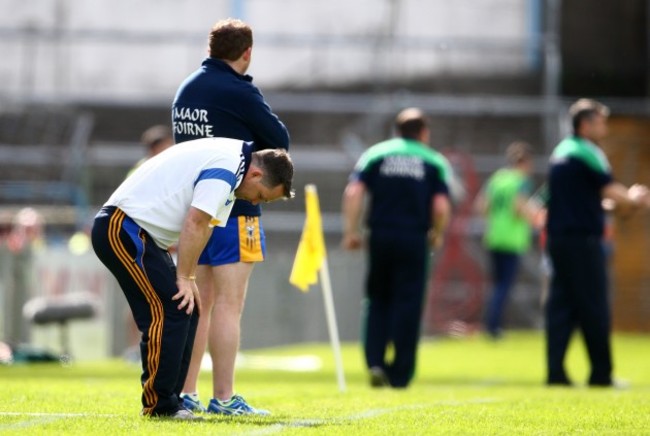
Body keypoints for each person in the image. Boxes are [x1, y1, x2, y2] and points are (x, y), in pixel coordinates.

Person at [91, 137, 294, 420]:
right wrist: (185, 276)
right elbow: (195, 222)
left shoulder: (235, 170)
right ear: (257, 174)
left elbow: (206, 227)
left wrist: (190, 279)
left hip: (143, 236)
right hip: (122, 229)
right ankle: (160, 405)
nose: (255, 201)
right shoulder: (227, 167)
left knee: (190, 307)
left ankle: (175, 401)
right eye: (261, 195)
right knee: (168, 309)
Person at [172, 18, 290, 415]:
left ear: (210, 49)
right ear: (247, 53)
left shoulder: (186, 89)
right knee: (228, 304)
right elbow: (280, 142)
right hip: (237, 208)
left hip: (196, 210)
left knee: (197, 302)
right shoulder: (240, 90)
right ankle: (223, 397)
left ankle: (186, 392)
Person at [341, 108, 452, 388]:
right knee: (408, 303)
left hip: (380, 236)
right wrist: (436, 234)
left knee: (377, 299)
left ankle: (375, 362)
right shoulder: (433, 161)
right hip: (414, 238)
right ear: (423, 133)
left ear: (397, 131)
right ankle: (400, 373)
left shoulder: (376, 154)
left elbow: (353, 193)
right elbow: (440, 206)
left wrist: (352, 231)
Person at [544, 98, 649, 387]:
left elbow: (584, 201)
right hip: (584, 241)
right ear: (585, 124)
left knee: (561, 306)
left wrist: (615, 204)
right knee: (594, 306)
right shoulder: (589, 152)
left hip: (559, 240)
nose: (604, 127)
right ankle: (601, 374)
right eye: (600, 121)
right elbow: (609, 189)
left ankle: (555, 373)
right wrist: (634, 197)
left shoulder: (560, 152)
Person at [474, 141, 539, 339]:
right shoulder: (520, 181)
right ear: (525, 162)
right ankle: (493, 328)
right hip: (511, 239)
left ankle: (491, 325)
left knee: (496, 285)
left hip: (494, 236)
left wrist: (495, 220)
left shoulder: (498, 179)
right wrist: (536, 217)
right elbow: (519, 207)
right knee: (504, 285)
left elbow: (481, 206)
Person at [123, 125, 175, 362]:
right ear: (154, 148)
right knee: (141, 296)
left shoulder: (165, 168)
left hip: (161, 243)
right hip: (143, 241)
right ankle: (135, 348)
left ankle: (156, 347)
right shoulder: (143, 170)